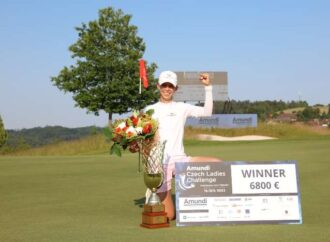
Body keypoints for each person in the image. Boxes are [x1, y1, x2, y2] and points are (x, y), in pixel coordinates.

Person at [145, 71, 221, 220]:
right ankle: (152, 194)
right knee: (170, 216)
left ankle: (210, 206)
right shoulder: (149, 110)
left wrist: (208, 87)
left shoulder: (182, 107)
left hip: (181, 161)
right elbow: (147, 139)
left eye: (170, 86)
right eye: (164, 85)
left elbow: (207, 112)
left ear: (176, 88)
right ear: (158, 86)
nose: (167, 89)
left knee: (218, 164)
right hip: (160, 164)